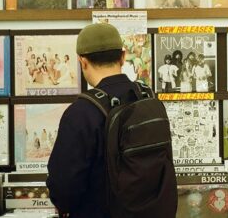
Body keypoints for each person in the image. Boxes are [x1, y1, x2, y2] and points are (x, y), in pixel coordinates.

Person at [47, 23, 176, 218]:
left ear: (82, 61)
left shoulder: (81, 113)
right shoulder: (148, 99)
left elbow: (63, 190)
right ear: (123, 57)